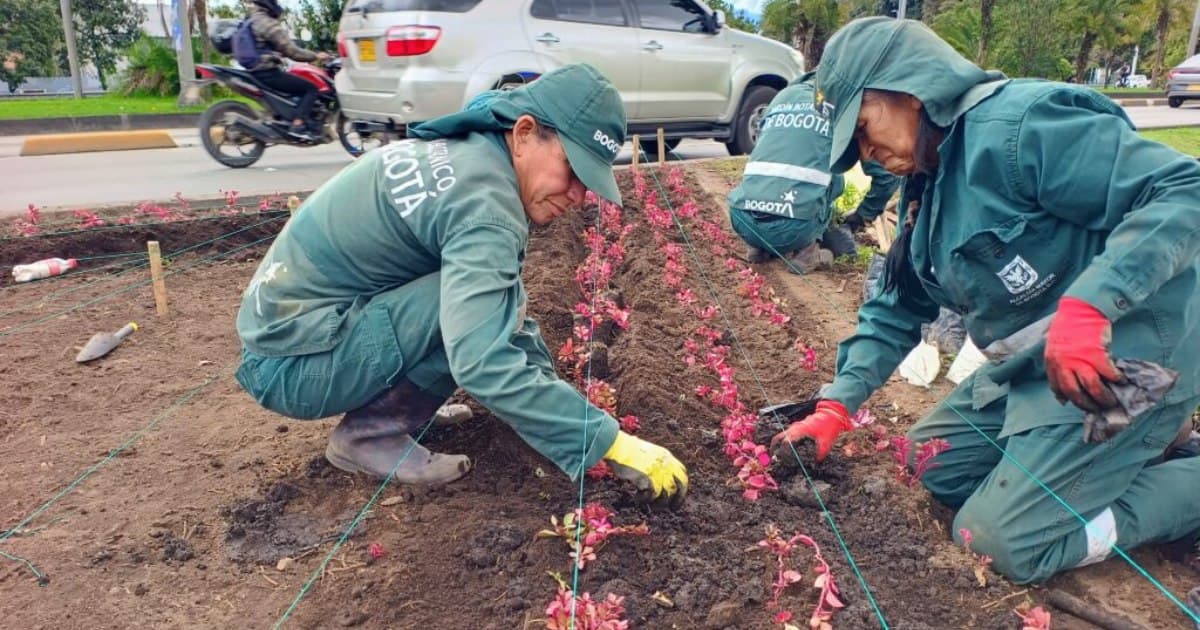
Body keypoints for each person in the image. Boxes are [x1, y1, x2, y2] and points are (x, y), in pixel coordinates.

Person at [773, 17, 1200, 585]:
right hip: (1034, 370)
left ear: (910, 89)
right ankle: (1108, 459)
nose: (867, 152)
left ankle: (1176, 483)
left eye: (866, 126)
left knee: (1001, 543)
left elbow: (1182, 188)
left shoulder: (1020, 127)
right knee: (930, 464)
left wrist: (1091, 306)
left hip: (1122, 361)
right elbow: (898, 307)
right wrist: (837, 404)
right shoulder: (929, 186)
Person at [234, 63, 688, 506]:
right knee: (470, 323)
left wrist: (552, 399)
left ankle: (398, 409)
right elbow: (482, 358)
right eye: (572, 169)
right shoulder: (487, 206)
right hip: (291, 364)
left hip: (299, 334)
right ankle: (370, 435)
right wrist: (609, 442)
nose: (578, 195)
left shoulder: (478, 146)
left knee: (480, 306)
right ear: (526, 133)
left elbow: (503, 303)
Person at [727, 75, 898, 273]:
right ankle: (807, 253)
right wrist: (864, 214)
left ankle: (760, 246)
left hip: (742, 219)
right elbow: (887, 177)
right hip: (794, 229)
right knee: (835, 179)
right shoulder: (843, 105)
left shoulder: (784, 95)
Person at [240, 0, 330, 138]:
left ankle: (288, 118)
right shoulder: (266, 23)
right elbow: (292, 51)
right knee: (310, 88)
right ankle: (298, 125)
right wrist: (315, 56)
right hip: (267, 72)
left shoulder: (250, 19)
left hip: (255, 71)